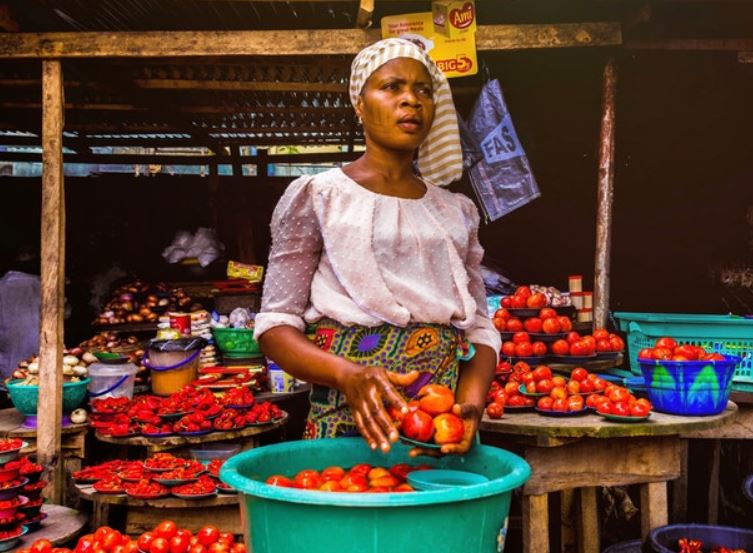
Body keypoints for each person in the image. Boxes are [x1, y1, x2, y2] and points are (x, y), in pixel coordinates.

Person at [254, 38, 501, 456]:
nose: (411, 100)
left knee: (440, 519)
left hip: (439, 429)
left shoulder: (455, 211)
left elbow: (479, 328)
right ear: (360, 105)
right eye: (392, 87)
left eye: (424, 90)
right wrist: (349, 376)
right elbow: (276, 325)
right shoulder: (318, 196)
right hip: (348, 420)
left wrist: (469, 407)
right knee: (351, 512)